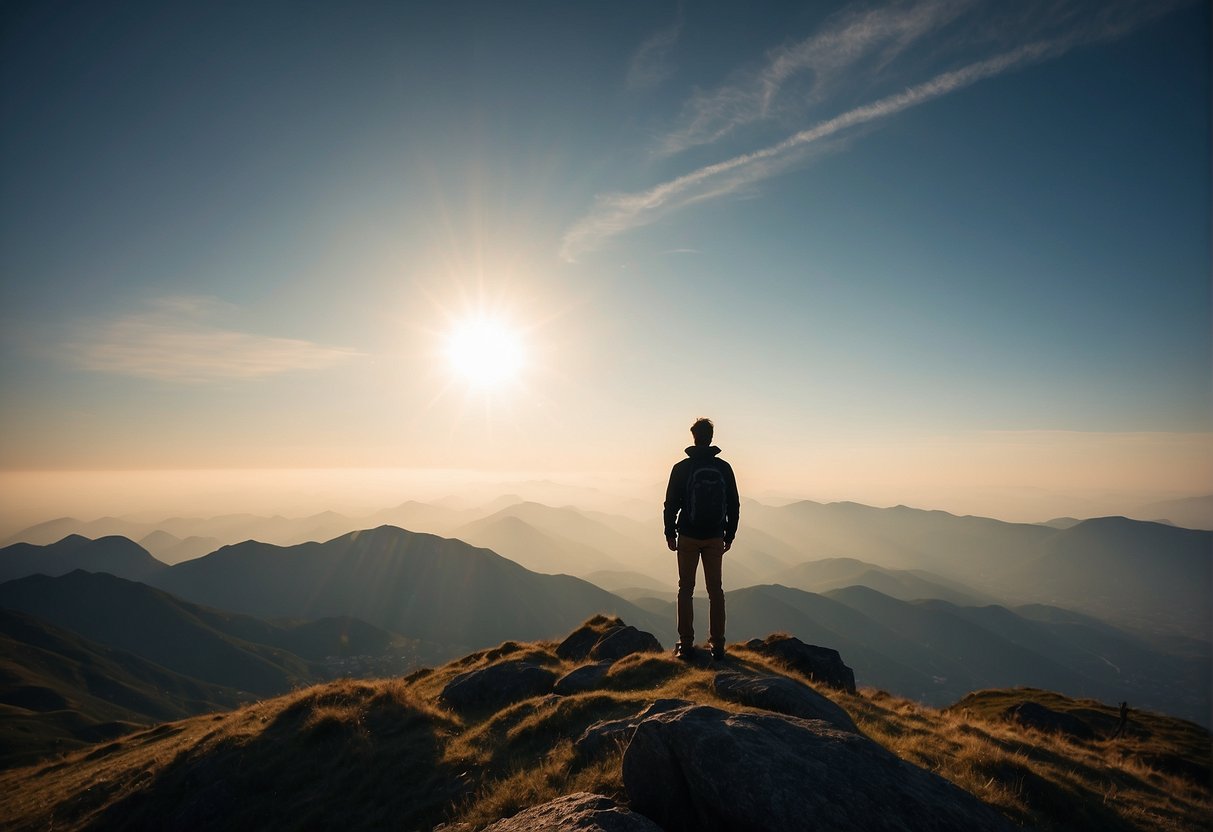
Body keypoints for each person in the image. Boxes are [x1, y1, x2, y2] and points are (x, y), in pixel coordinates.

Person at [663, 417, 739, 661]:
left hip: (687, 535)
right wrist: (730, 534)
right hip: (715, 536)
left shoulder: (681, 468)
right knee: (715, 590)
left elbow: (670, 504)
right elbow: (734, 504)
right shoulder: (724, 468)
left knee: (685, 588)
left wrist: (669, 532)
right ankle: (717, 645)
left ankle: (685, 644)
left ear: (693, 436)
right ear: (711, 437)